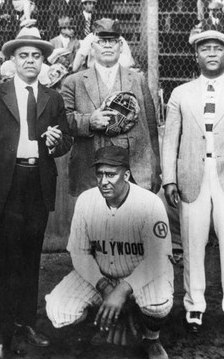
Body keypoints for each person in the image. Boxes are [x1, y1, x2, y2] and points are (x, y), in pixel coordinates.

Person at [0, 26, 72, 359]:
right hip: (6, 185)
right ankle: (1, 334)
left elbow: (65, 141)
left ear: (44, 61)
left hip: (37, 183)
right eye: (23, 55)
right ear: (13, 60)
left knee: (31, 258)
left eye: (36, 56)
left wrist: (58, 144)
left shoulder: (52, 97)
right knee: (4, 261)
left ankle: (26, 322)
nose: (30, 61)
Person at [162, 30, 224, 337]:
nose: (212, 54)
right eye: (205, 49)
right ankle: (195, 304)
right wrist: (169, 179)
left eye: (217, 49)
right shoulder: (181, 93)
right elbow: (170, 142)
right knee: (193, 240)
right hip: (192, 175)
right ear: (197, 55)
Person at [46, 145, 173, 359]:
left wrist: (122, 291)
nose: (103, 181)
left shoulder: (149, 203)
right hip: (101, 276)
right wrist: (105, 288)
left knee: (157, 305)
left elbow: (158, 258)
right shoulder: (86, 201)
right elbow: (79, 253)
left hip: (139, 275)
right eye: (99, 174)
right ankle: (104, 320)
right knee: (59, 312)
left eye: (111, 175)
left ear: (126, 174)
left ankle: (152, 338)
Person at [61, 18, 160, 198]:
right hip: (90, 174)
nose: (107, 46)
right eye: (101, 41)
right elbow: (62, 120)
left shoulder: (137, 80)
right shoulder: (73, 82)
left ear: (120, 46)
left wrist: (156, 168)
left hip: (135, 173)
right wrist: (89, 121)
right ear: (92, 46)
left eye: (112, 41)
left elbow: (151, 128)